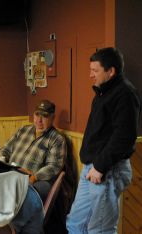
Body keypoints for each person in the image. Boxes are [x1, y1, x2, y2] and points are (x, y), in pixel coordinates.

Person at [66, 47, 141, 233]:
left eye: (95, 70)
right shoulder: (102, 93)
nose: (91, 75)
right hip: (90, 168)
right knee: (75, 223)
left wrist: (99, 167)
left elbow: (124, 138)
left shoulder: (125, 94)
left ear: (111, 71)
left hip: (106, 170)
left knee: (100, 230)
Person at [0, 99, 66, 201]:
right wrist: (0, 162)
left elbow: (54, 166)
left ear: (53, 118)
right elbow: (5, 150)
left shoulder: (57, 139)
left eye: (44, 116)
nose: (39, 120)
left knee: (39, 189)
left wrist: (34, 177)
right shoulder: (23, 130)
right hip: (11, 173)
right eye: (37, 114)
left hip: (33, 179)